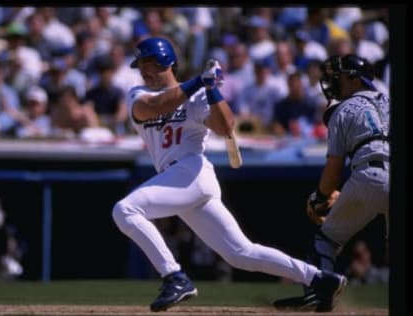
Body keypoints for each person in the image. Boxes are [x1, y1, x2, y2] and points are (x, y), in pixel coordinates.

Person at [112, 36, 347, 313]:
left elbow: (226, 127)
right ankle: (319, 279)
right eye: (140, 65)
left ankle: (174, 276)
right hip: (178, 180)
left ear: (166, 62)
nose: (143, 70)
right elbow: (153, 108)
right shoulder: (138, 93)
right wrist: (200, 81)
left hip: (191, 171)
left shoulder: (198, 95)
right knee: (240, 253)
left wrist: (212, 90)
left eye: (148, 63)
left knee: (125, 210)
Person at [273, 54, 389, 309]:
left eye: (338, 77)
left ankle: (320, 297)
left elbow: (334, 170)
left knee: (323, 242)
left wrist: (321, 197)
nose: (332, 82)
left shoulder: (344, 109)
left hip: (369, 177)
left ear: (354, 79)